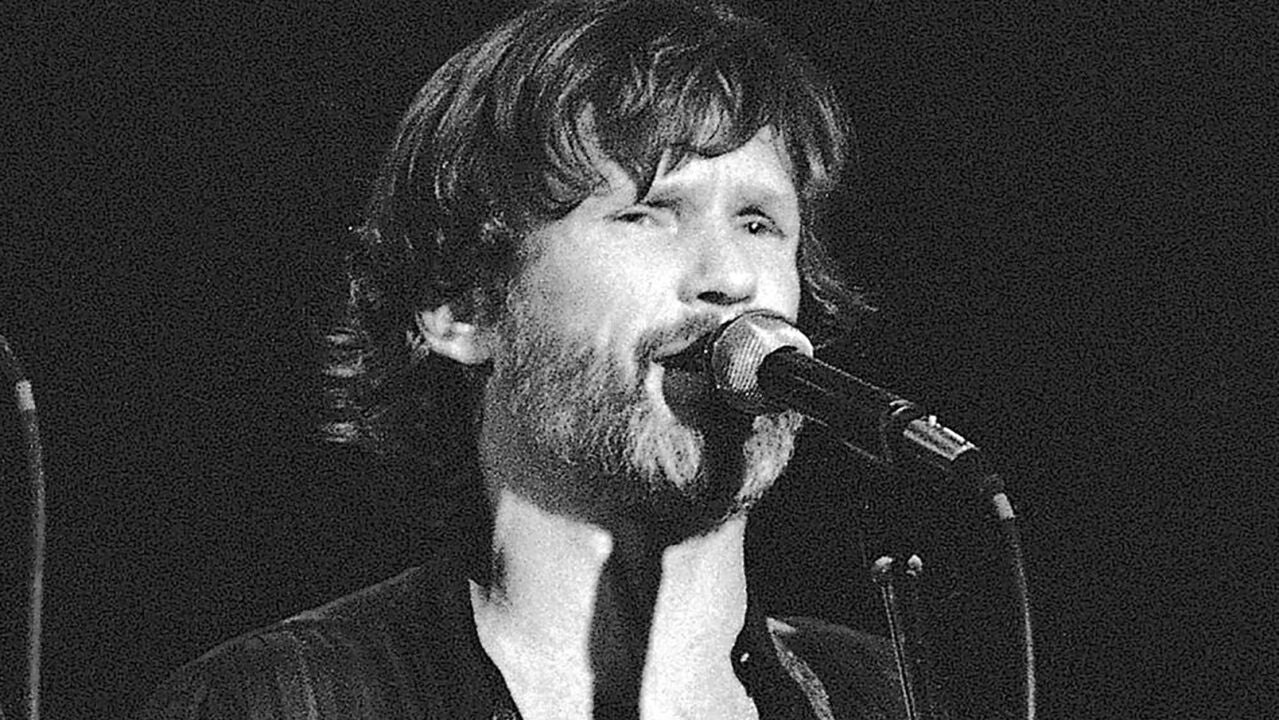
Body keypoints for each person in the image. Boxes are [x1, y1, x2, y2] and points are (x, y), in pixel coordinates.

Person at [142, 0, 905, 717]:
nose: (730, 278)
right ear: (462, 306)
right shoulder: (276, 700)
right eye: (646, 214)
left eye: (758, 223)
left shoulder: (890, 696)